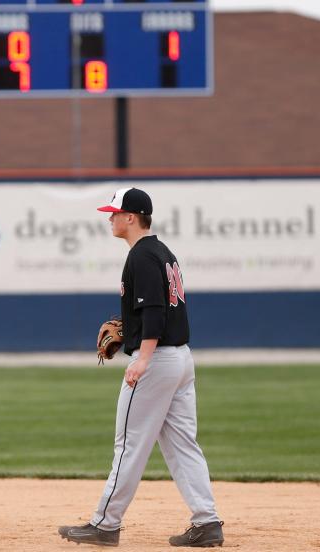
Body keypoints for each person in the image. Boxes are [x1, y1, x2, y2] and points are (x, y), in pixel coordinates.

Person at [58, 187, 224, 548]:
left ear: (131, 217)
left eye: (114, 213)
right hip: (180, 359)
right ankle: (207, 521)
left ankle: (104, 524)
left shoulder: (142, 256)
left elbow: (155, 312)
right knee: (183, 445)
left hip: (158, 360)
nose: (110, 219)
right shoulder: (161, 251)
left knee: (129, 444)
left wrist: (143, 357)